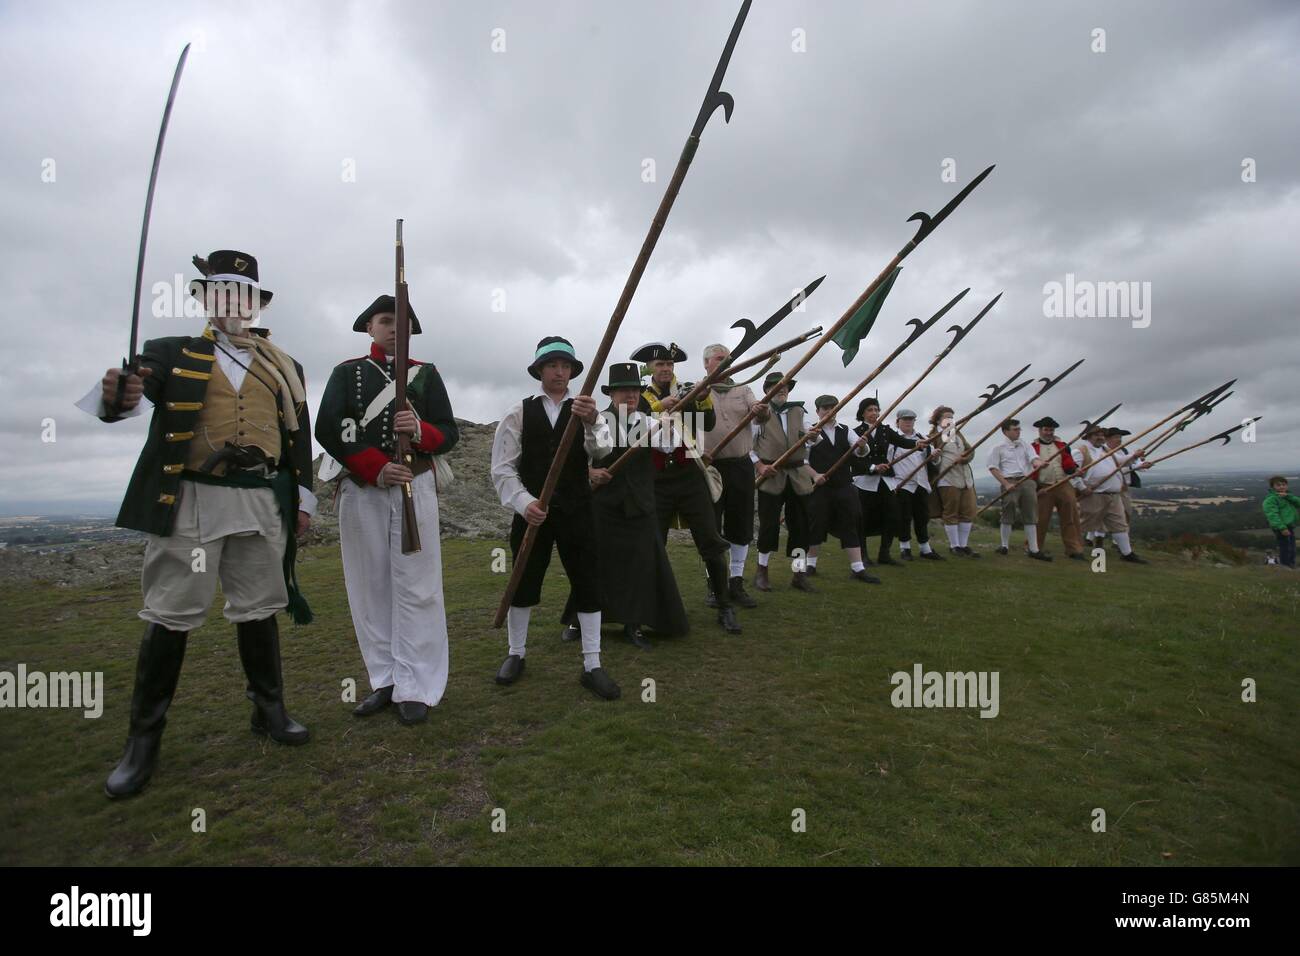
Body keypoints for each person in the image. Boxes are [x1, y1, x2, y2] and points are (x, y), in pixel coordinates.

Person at [77, 250, 315, 798]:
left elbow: (297, 437)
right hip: (192, 498)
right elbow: (130, 397)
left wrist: (303, 498)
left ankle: (269, 711)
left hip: (260, 498)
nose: (233, 304)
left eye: (244, 295)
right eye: (222, 293)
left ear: (256, 304)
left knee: (259, 607)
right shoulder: (170, 352)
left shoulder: (285, 365)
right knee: (172, 614)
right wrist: (121, 396)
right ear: (206, 299)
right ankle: (143, 740)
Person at [315, 294, 458, 725]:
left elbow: (448, 434)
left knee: (419, 586)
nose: (395, 327)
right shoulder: (347, 373)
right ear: (369, 328)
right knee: (369, 586)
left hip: (418, 486)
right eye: (385, 320)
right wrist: (377, 469)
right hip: (365, 488)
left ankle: (418, 684)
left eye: (403, 321)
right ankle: (386, 679)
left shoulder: (426, 376)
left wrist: (419, 430)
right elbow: (331, 429)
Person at [489, 336, 621, 699]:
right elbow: (502, 468)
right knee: (523, 579)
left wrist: (594, 420)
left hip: (578, 510)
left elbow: (603, 451)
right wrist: (524, 502)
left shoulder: (585, 409)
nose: (559, 372)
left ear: (573, 371)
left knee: (586, 580)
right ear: (539, 371)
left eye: (565, 366)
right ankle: (516, 654)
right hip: (533, 514)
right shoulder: (519, 412)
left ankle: (592, 664)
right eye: (552, 366)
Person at [572, 363, 690, 648]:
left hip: (641, 503)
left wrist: (669, 425)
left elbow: (669, 447)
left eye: (635, 390)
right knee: (595, 564)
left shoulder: (649, 422)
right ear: (611, 394)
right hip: (605, 504)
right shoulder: (596, 420)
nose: (631, 395)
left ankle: (633, 624)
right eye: (624, 390)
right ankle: (581, 620)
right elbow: (577, 460)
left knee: (641, 565)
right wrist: (590, 474)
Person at [634, 342, 741, 634]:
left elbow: (705, 423)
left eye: (669, 364)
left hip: (688, 476)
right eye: (660, 365)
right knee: (654, 544)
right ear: (650, 369)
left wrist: (704, 398)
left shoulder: (690, 389)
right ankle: (652, 609)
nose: (666, 369)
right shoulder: (639, 398)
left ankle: (724, 606)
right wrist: (659, 407)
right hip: (656, 481)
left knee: (711, 542)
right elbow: (631, 429)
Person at [701, 343, 765, 609]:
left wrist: (762, 410)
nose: (725, 362)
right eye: (719, 358)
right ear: (706, 364)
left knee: (741, 525)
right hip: (711, 468)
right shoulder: (698, 391)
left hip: (740, 466)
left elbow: (761, 413)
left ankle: (736, 582)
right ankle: (715, 586)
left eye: (728, 358)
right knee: (711, 527)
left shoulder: (744, 388)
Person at [751, 372, 817, 592]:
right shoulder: (759, 414)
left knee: (801, 526)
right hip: (771, 475)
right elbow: (748, 446)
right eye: (776, 387)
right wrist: (760, 466)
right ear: (767, 390)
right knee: (769, 526)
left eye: (785, 387)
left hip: (798, 476)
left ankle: (799, 573)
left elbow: (812, 437)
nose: (781, 390)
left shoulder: (799, 411)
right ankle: (762, 571)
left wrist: (814, 436)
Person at [806, 394, 878, 582]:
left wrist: (862, 446)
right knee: (816, 525)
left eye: (833, 408)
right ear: (818, 411)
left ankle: (858, 568)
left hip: (844, 485)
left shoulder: (845, 430)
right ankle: (808, 566)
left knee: (850, 523)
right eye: (825, 409)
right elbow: (801, 461)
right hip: (819, 487)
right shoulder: (810, 432)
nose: (830, 412)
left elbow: (860, 452)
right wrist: (815, 475)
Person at [850, 396, 919, 566]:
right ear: (862, 413)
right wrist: (873, 468)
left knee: (892, 515)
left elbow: (903, 442)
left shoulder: (885, 430)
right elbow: (853, 458)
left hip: (885, 480)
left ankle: (884, 554)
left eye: (876, 409)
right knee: (863, 518)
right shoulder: (855, 432)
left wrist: (919, 442)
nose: (874, 413)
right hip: (864, 480)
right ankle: (863, 555)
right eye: (870, 410)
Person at [1073, 424, 1150, 564]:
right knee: (1083, 524)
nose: (1100, 437)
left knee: (1119, 524)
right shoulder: (1080, 451)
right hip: (1094, 494)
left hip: (1114, 495)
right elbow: (1073, 473)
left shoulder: (1106, 449)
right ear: (1088, 436)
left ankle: (1127, 553)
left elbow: (1120, 462)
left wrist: (1134, 456)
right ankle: (1074, 550)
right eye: (1096, 435)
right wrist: (1082, 488)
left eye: (1102, 435)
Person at [986, 419, 1051, 561]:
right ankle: (1004, 546)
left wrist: (1041, 464)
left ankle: (1034, 550)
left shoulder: (1025, 444)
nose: (1018, 431)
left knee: (1031, 514)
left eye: (1019, 429)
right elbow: (993, 468)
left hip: (1027, 481)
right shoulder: (997, 447)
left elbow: (1034, 459)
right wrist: (1006, 483)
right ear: (1005, 431)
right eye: (1015, 429)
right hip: (1009, 481)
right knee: (1008, 513)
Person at [891, 409, 944, 561]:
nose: (908, 422)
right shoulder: (893, 440)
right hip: (902, 485)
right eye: (905, 419)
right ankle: (905, 548)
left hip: (921, 484)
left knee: (922, 517)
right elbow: (888, 462)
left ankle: (925, 548)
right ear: (898, 422)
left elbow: (934, 461)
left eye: (911, 419)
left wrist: (935, 456)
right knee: (904, 517)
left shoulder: (923, 438)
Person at [1031, 416, 1085, 561]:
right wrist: (1035, 488)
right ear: (1040, 431)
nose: (1049, 433)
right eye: (1046, 429)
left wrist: (1075, 470)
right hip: (1043, 487)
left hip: (1063, 484)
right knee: (1040, 519)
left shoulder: (1062, 445)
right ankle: (1034, 547)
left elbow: (1069, 463)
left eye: (1051, 430)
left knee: (1070, 517)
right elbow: (1028, 468)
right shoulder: (1032, 448)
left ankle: (1074, 549)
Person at [930, 405, 980, 557]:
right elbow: (931, 460)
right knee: (951, 512)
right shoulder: (933, 436)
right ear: (938, 419)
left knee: (968, 511)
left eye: (951, 417)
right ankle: (954, 546)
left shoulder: (958, 434)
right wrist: (936, 456)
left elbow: (970, 451)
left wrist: (964, 458)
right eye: (946, 417)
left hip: (965, 477)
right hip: (947, 478)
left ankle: (963, 545)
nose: (950, 419)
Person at [1262, 475, 1298, 569]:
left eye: (1284, 484)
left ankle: (1292, 566)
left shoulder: (1288, 496)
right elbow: (1272, 515)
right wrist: (1282, 528)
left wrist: (1289, 496)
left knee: (1292, 548)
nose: (1282, 487)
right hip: (1281, 527)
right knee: (1286, 548)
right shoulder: (1271, 499)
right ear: (1273, 487)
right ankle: (1286, 567)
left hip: (1289, 526)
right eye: (1278, 485)